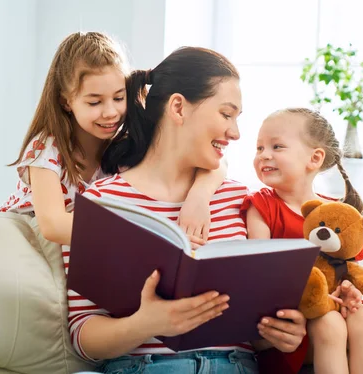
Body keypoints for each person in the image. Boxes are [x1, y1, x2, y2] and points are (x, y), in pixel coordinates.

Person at [68, 47, 307, 373]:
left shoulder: (242, 199)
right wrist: (145, 323)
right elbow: (83, 333)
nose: (235, 133)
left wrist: (280, 333)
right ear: (178, 107)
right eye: (226, 114)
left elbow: (256, 327)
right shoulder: (102, 202)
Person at [0, 32, 227, 247]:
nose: (110, 112)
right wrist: (151, 240)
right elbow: (54, 226)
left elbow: (215, 161)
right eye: (94, 102)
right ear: (66, 101)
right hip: (26, 245)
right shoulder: (47, 147)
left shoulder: (127, 143)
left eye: (119, 98)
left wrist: (199, 197)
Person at [243, 107, 363, 374]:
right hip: (295, 318)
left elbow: (351, 271)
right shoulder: (262, 205)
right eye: (259, 148)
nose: (264, 155)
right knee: (328, 322)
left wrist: (350, 293)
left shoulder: (337, 213)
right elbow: (259, 272)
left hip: (335, 306)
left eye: (277, 146)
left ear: (315, 158)